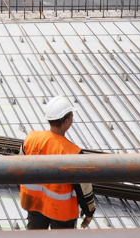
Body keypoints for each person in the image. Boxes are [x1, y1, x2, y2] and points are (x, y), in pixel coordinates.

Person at [20, 96, 97, 230]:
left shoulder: (30, 139)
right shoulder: (73, 153)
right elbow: (84, 189)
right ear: (66, 122)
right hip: (61, 212)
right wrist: (89, 211)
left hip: (34, 203)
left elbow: (17, 170)